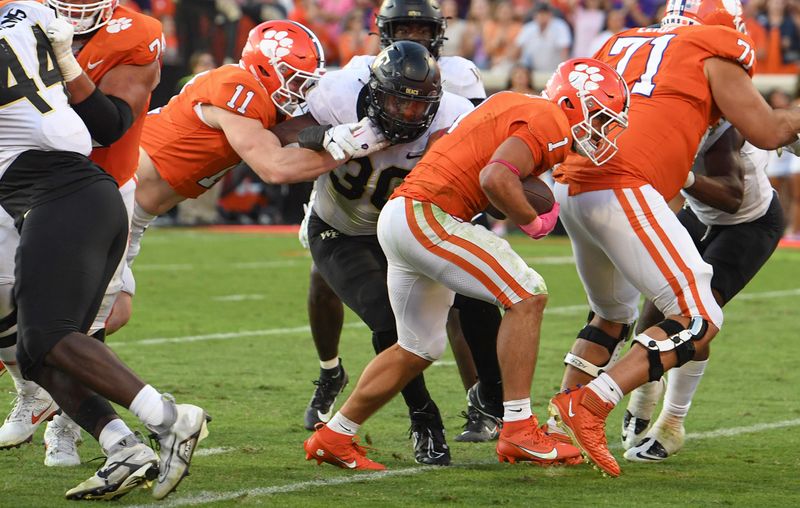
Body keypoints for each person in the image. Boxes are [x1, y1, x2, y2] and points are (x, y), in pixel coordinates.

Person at [303, 57, 631, 470]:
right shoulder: (549, 119)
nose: (601, 131)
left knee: (417, 347)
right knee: (528, 294)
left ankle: (335, 435)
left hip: (403, 214)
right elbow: (496, 178)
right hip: (428, 214)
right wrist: (533, 220)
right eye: (599, 118)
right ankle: (518, 428)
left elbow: (486, 175)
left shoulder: (515, 104)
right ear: (572, 102)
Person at [545, 0, 800, 478]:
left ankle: (562, 428)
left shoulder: (620, 42)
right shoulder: (709, 53)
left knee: (613, 314)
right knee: (699, 317)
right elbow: (768, 130)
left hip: (576, 185)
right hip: (625, 188)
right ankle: (593, 405)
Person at [0, 1, 207, 500]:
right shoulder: (23, 16)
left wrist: (71, 66)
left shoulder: (129, 34)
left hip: (74, 194)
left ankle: (170, 418)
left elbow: (109, 124)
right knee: (33, 351)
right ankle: (122, 447)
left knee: (55, 334)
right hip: (62, 191)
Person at [300, 0, 495, 443]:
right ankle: (407, 410)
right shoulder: (344, 84)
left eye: (421, 29)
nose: (413, 37)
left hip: (413, 219)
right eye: (403, 27)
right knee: (349, 297)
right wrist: (326, 137)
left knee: (471, 302)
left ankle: (487, 404)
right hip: (344, 221)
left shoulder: (457, 92)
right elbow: (286, 131)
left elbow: (478, 149)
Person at [128, 20, 387, 266]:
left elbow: (292, 134)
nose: (302, 88)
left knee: (116, 310)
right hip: (123, 188)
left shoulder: (267, 102)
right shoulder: (237, 85)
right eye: (295, 79)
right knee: (104, 303)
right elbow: (275, 167)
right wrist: (351, 146)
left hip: (138, 212)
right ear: (265, 67)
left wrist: (343, 130)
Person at [621, 122, 784, 461]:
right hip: (697, 214)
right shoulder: (666, 114)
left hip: (747, 224)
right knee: (652, 312)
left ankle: (672, 424)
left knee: (694, 317)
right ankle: (646, 392)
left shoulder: (722, 129)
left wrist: (681, 176)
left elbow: (731, 197)